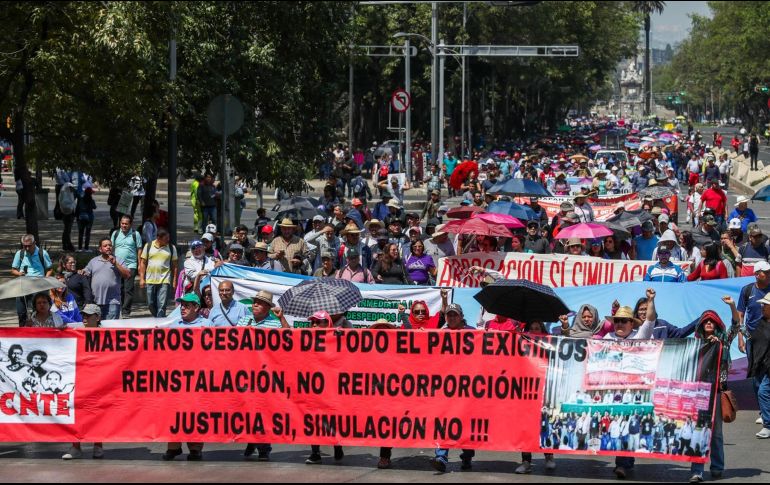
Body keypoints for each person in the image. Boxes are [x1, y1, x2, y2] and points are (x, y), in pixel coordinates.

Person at [604, 289, 657, 479]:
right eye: (616, 321)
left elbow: (650, 320)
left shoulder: (638, 336)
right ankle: (627, 459)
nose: (619, 324)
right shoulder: (607, 339)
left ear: (631, 324)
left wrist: (651, 300)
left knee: (626, 424)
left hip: (635, 391)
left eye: (623, 321)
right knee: (618, 426)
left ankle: (622, 463)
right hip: (612, 390)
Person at [689, 297, 741, 482]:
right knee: (699, 432)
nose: (709, 323)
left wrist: (732, 306)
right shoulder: (694, 346)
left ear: (717, 324)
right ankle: (697, 471)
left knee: (717, 434)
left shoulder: (724, 342)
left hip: (717, 393)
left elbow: (736, 325)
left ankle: (717, 467)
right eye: (705, 321)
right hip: (700, 394)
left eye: (712, 321)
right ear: (701, 326)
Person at [163, 293, 212, 462]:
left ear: (196, 308)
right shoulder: (174, 325)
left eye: (187, 305)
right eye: (181, 305)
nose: (182, 308)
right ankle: (173, 447)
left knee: (196, 414)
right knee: (174, 412)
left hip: (199, 378)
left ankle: (195, 448)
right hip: (177, 378)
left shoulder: (207, 325)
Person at [60, 303, 104, 459]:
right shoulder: (76, 333)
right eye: (83, 315)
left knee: (97, 414)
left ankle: (98, 445)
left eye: (88, 315)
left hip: (101, 382)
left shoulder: (108, 335)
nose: (84, 318)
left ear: (98, 318)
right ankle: (75, 446)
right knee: (76, 412)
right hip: (79, 380)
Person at [514, 320, 557, 474]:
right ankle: (526, 462)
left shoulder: (550, 342)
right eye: (531, 328)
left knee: (544, 424)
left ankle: (549, 457)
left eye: (537, 328)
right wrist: (517, 332)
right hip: (525, 390)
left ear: (542, 329)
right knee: (525, 427)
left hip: (544, 389)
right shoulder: (522, 342)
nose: (534, 331)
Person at [83, 238, 131, 320]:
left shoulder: (118, 260)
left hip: (112, 302)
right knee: (98, 329)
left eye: (110, 245)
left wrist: (115, 263)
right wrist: (82, 271)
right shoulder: (94, 261)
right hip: (95, 302)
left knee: (109, 328)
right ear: (100, 249)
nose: (108, 247)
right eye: (105, 246)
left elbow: (127, 275)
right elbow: (85, 273)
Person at [11, 234, 54, 325]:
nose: (27, 248)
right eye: (24, 246)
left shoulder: (42, 253)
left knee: (38, 311)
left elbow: (50, 269)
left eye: (29, 246)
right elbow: (13, 270)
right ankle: (22, 332)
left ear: (34, 243)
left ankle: (39, 331)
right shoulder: (20, 253)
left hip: (38, 284)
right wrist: (19, 273)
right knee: (21, 312)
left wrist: (45, 280)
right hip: (24, 284)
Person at [138, 228, 178, 318]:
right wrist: (141, 278)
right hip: (150, 279)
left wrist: (175, 280)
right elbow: (143, 262)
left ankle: (159, 323)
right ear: (158, 238)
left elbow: (175, 265)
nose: (168, 240)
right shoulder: (148, 246)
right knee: (150, 303)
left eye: (168, 238)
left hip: (165, 279)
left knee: (162, 305)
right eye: (166, 238)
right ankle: (157, 318)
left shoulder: (171, 248)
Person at [111, 215, 143, 319]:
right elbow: (111, 248)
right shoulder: (115, 233)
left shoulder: (135, 234)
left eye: (126, 223)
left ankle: (126, 311)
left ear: (130, 224)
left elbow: (139, 250)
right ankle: (119, 308)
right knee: (119, 288)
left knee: (128, 289)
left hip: (131, 265)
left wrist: (139, 265)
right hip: (117, 265)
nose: (124, 225)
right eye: (122, 223)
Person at [748, 294, 770, 444]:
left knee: (763, 391)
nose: (762, 307)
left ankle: (767, 425)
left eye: (765, 305)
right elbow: (756, 339)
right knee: (756, 386)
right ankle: (764, 414)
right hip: (760, 364)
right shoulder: (762, 322)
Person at [75, 187, 96, 251]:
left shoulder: (80, 199)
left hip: (81, 218)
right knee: (87, 233)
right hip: (89, 218)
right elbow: (94, 207)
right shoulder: (91, 200)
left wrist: (77, 217)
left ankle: (80, 248)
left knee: (80, 233)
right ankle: (86, 248)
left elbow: (77, 209)